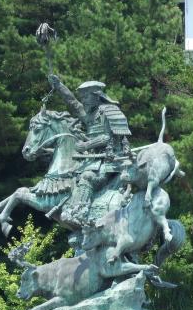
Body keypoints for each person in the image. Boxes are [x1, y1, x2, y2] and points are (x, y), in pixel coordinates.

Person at [48, 75, 131, 225]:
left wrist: (86, 145)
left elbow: (107, 137)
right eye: (83, 97)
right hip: (92, 160)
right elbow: (73, 102)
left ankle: (80, 212)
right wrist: (58, 85)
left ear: (97, 96)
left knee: (87, 177)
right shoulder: (89, 114)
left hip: (109, 162)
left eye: (86, 97)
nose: (83, 100)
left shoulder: (108, 111)